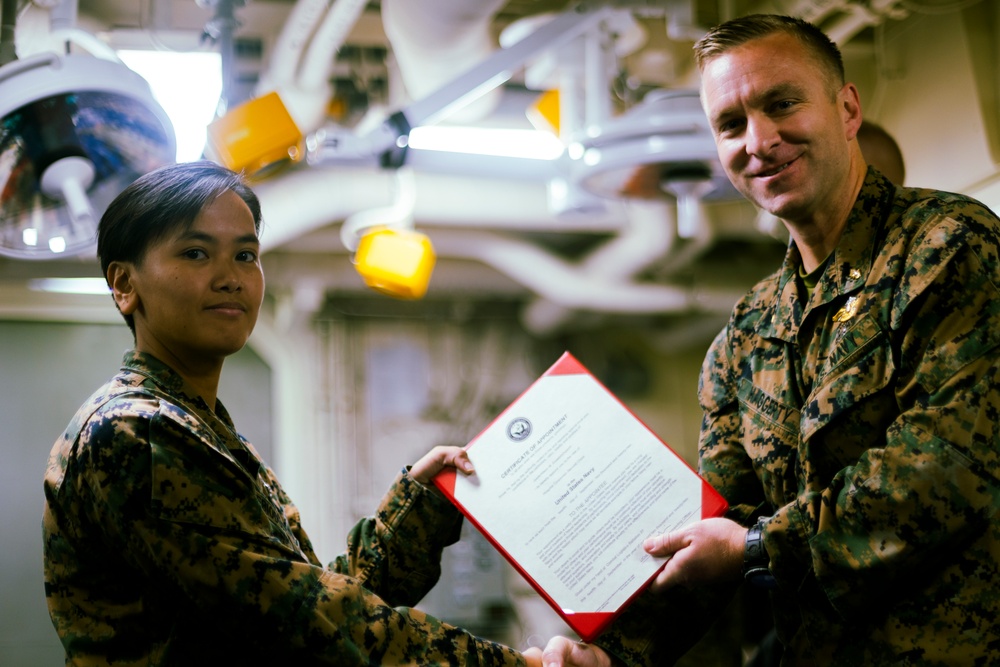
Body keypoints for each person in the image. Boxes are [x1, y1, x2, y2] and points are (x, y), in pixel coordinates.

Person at [538, 13, 1000, 667]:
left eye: (782, 103)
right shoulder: (744, 335)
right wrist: (608, 652)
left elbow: (944, 471)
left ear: (846, 108)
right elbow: (713, 527)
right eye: (730, 124)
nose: (759, 140)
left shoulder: (950, 247)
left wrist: (758, 544)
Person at [41, 160, 544, 666]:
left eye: (245, 255)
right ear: (125, 285)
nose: (230, 278)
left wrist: (422, 506)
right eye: (196, 253)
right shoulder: (140, 431)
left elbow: (307, 601)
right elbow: (308, 627)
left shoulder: (199, 427)